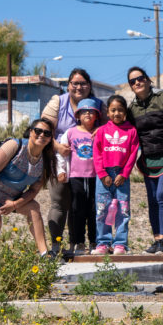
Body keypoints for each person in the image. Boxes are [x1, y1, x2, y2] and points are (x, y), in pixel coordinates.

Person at [0, 119, 57, 256]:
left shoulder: (45, 162)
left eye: (47, 133)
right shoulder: (15, 145)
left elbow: (33, 191)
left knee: (33, 208)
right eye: (38, 131)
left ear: (50, 138)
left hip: (8, 196)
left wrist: (14, 204)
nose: (42, 135)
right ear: (31, 132)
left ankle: (45, 254)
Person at [41, 68, 106, 254]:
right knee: (60, 203)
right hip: (60, 159)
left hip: (89, 166)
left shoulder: (99, 105)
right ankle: (55, 245)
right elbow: (43, 128)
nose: (79, 87)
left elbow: (109, 128)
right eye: (74, 83)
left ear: (90, 86)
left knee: (84, 205)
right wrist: (57, 147)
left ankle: (77, 244)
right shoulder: (58, 102)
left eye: (83, 83)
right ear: (68, 85)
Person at [126, 66, 163, 254]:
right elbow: (126, 130)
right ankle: (156, 239)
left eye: (140, 78)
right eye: (133, 81)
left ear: (148, 80)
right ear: (130, 86)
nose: (137, 83)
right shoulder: (131, 108)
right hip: (147, 160)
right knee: (152, 200)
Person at [91, 95, 139, 255]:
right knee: (102, 209)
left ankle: (120, 244)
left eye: (120, 110)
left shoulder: (131, 131)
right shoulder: (102, 131)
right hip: (104, 175)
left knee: (122, 210)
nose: (117, 113)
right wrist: (103, 173)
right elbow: (96, 153)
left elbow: (133, 154)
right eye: (113, 110)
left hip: (121, 176)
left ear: (125, 111)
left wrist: (124, 174)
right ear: (108, 112)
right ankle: (103, 243)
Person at [63, 98, 102, 253]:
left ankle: (95, 242)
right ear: (77, 115)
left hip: (96, 176)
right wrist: (61, 171)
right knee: (77, 209)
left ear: (97, 115)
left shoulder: (100, 131)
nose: (88, 113)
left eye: (91, 111)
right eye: (84, 111)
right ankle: (78, 242)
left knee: (94, 210)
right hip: (76, 177)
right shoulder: (71, 132)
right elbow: (63, 154)